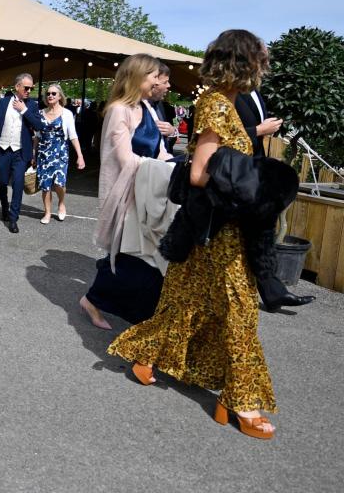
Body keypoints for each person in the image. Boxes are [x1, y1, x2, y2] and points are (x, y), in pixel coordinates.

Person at [108, 30, 279, 440]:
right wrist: (254, 181)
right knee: (240, 310)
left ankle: (145, 355)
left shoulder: (233, 103)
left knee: (186, 300)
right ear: (241, 61)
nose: (263, 67)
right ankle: (241, 400)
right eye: (259, 59)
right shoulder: (216, 104)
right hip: (218, 229)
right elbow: (201, 172)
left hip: (228, 227)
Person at [79, 54, 171, 329]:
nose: (157, 81)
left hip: (150, 192)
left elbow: (160, 150)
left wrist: (173, 164)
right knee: (131, 255)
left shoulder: (147, 107)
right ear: (138, 77)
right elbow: (125, 160)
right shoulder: (119, 109)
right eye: (154, 75)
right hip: (128, 193)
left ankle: (103, 302)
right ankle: (96, 301)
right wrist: (163, 168)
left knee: (139, 257)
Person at [234, 89, 315, 311]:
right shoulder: (226, 92)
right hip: (233, 172)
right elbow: (220, 136)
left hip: (254, 170)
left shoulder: (256, 92)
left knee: (260, 233)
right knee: (253, 234)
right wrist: (259, 130)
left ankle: (273, 293)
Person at [0, 73, 40, 233]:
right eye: (26, 87)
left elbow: (38, 125)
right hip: (2, 149)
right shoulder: (2, 102)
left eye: (31, 88)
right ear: (17, 87)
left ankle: (13, 218)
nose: (29, 90)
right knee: (1, 182)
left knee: (18, 184)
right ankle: (4, 207)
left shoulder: (32, 105)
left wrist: (24, 110)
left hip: (20, 153)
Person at [33, 83, 85, 224]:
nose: (50, 95)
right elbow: (37, 136)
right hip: (43, 154)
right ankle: (47, 213)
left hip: (60, 153)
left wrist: (80, 156)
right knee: (45, 185)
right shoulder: (39, 113)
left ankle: (61, 203)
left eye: (54, 93)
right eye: (48, 93)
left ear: (60, 96)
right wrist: (33, 154)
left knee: (59, 184)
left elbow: (73, 136)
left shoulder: (67, 114)